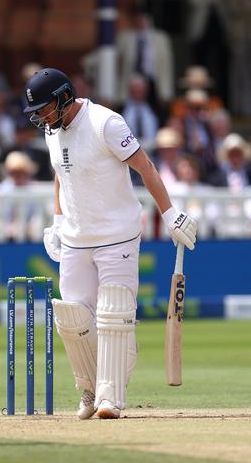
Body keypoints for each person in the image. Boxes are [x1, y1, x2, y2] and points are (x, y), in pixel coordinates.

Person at [22, 68, 198, 420]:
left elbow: (144, 166)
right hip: (75, 239)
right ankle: (89, 390)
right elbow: (61, 175)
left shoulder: (106, 123)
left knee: (113, 315)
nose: (42, 117)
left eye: (45, 108)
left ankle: (110, 397)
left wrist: (169, 213)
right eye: (36, 112)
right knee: (72, 319)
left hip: (118, 234)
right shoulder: (53, 133)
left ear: (65, 96)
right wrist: (57, 221)